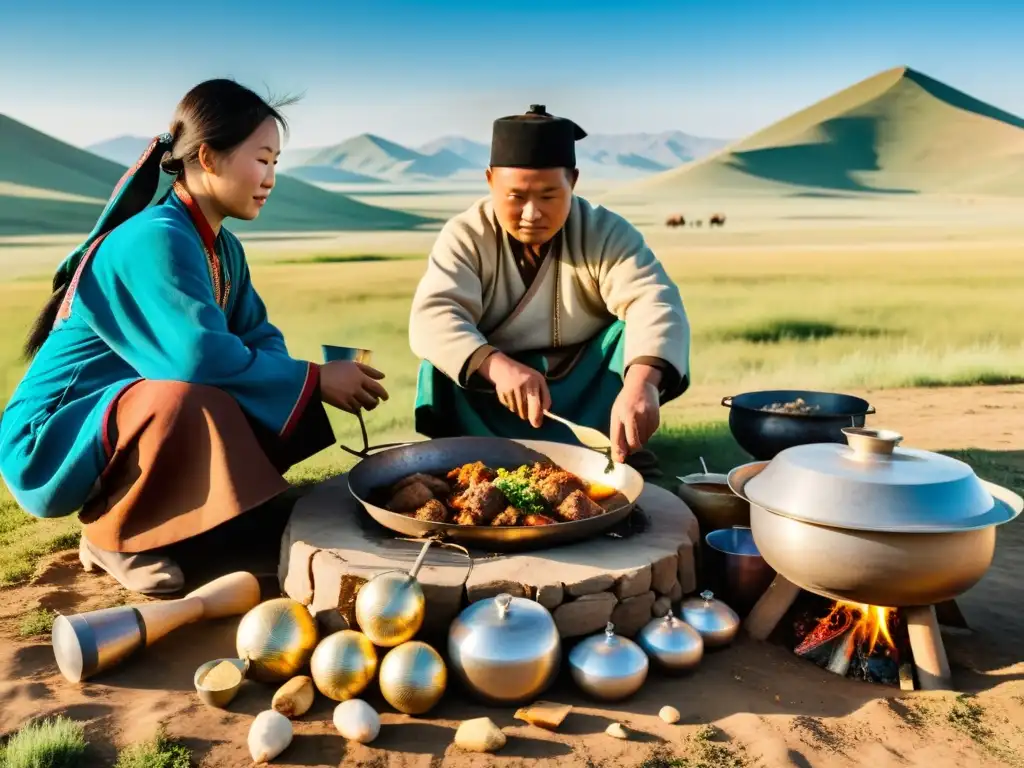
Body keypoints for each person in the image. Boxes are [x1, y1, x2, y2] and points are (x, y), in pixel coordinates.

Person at [0, 80, 388, 595]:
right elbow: (196, 358)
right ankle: (117, 536)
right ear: (207, 156)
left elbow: (259, 337)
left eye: (276, 163)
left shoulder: (223, 248)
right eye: (263, 159)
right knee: (185, 394)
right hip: (55, 436)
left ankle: (222, 514)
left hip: (124, 418)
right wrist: (314, 378)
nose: (271, 178)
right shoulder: (153, 238)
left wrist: (297, 378)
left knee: (229, 384)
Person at [409, 105, 690, 473]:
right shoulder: (465, 235)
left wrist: (643, 383)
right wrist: (496, 366)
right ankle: (465, 457)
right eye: (515, 197)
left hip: (585, 388)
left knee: (635, 341)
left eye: (548, 196)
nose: (531, 213)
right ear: (490, 181)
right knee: (442, 358)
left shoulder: (605, 231)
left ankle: (619, 448)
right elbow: (434, 316)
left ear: (572, 180)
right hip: (495, 392)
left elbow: (653, 301)